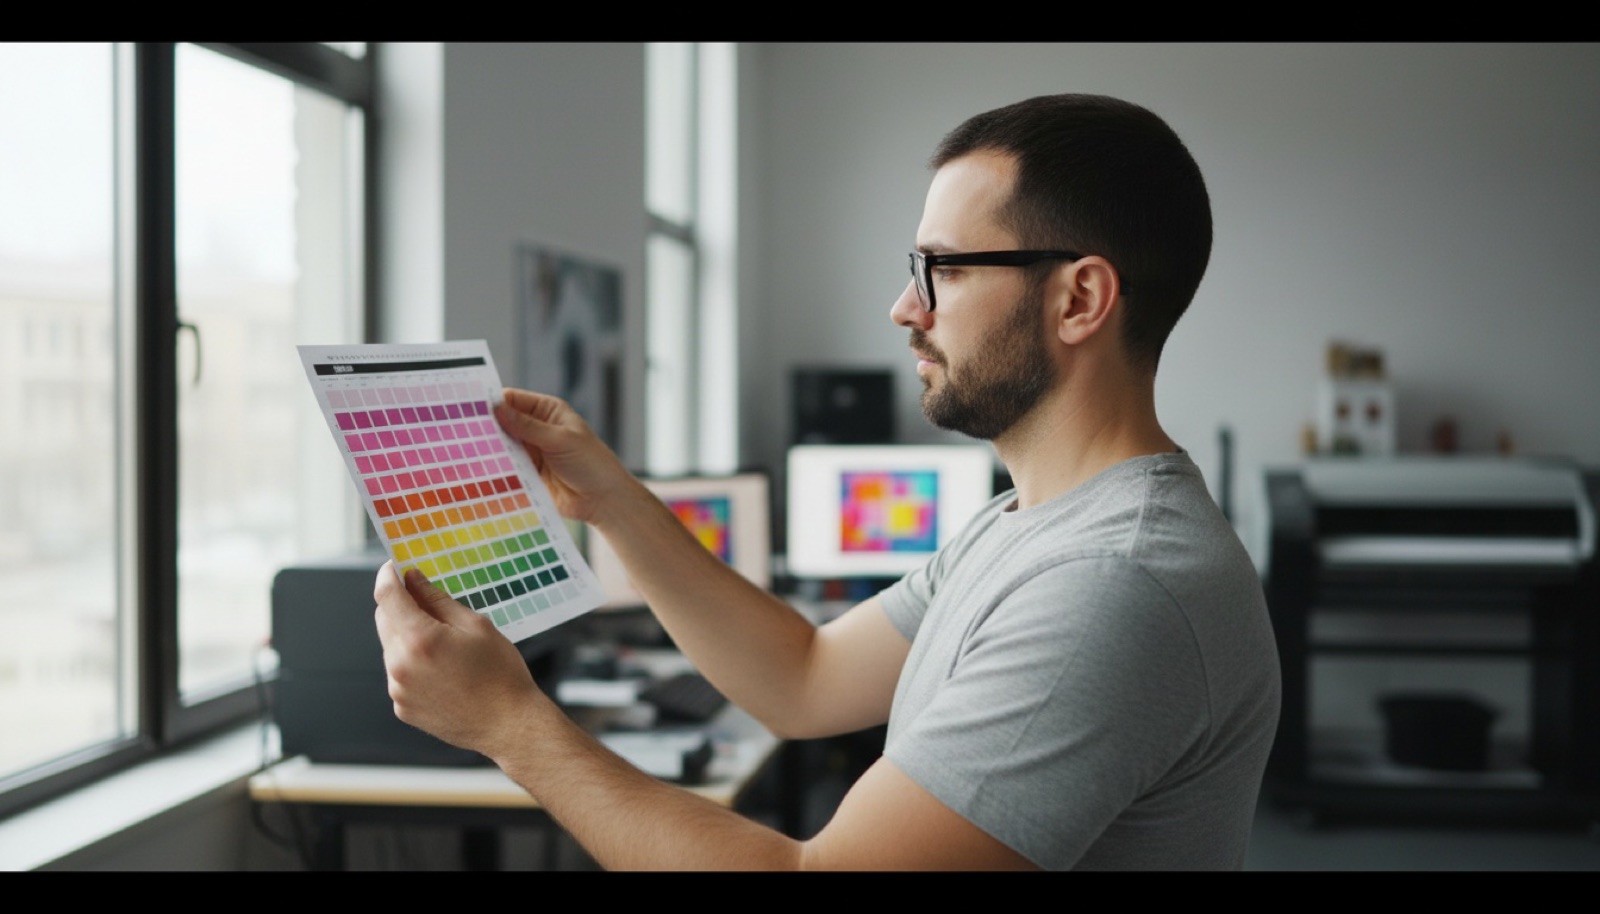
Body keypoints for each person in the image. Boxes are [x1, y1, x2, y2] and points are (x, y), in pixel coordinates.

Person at [373, 93, 1280, 870]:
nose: (905, 307)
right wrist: (607, 496)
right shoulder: (1026, 525)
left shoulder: (1112, 586)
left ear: (1079, 299)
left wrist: (508, 723)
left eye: (945, 269)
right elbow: (803, 679)